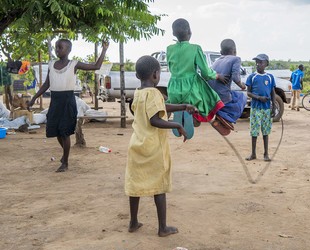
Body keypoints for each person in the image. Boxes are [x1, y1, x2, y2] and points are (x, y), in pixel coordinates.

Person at [125, 55, 197, 237]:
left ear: (137, 75)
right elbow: (155, 119)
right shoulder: (155, 93)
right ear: (156, 74)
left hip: (136, 145)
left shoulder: (139, 93)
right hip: (152, 148)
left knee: (135, 185)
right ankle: (162, 228)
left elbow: (160, 107)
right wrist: (177, 125)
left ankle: (133, 222)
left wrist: (182, 106)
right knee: (159, 186)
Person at [27, 39, 108, 172]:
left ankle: (65, 161)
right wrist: (34, 98)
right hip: (56, 101)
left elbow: (96, 66)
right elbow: (47, 84)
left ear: (69, 50)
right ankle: (65, 155)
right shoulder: (52, 64)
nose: (57, 50)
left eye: (60, 47)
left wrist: (104, 50)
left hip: (68, 101)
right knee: (57, 131)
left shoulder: (73, 64)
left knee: (65, 132)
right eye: (56, 48)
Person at [166, 18, 228, 124]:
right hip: (191, 91)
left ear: (173, 33)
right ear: (190, 31)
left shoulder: (169, 49)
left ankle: (181, 116)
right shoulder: (195, 48)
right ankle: (201, 116)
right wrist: (217, 76)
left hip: (173, 90)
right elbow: (206, 73)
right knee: (211, 95)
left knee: (177, 98)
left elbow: (170, 67)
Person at [208, 39, 246, 131]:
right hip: (222, 96)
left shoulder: (216, 61)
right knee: (242, 97)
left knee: (233, 95)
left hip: (211, 96)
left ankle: (219, 115)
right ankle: (227, 118)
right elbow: (236, 78)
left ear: (221, 52)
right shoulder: (236, 59)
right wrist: (242, 86)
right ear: (235, 51)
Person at [245, 54, 276, 162]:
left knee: (265, 131)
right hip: (255, 108)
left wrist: (274, 106)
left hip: (267, 108)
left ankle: (266, 154)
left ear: (266, 63)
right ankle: (253, 153)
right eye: (257, 62)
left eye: (261, 62)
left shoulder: (270, 77)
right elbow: (248, 92)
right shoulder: (252, 77)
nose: (258, 64)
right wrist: (258, 97)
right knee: (254, 131)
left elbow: (272, 92)